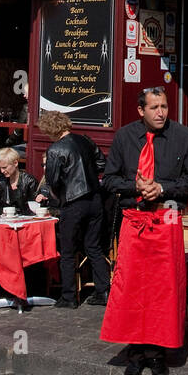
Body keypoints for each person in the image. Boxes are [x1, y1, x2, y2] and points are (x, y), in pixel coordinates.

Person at [101, 86, 188, 375]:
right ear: (140, 110)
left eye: (164, 106)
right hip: (134, 220)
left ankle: (158, 352)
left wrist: (162, 188)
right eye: (154, 107)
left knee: (163, 288)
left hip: (167, 218)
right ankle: (135, 351)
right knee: (132, 286)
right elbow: (109, 180)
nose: (161, 113)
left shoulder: (183, 136)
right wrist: (136, 186)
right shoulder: (124, 137)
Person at [39, 111, 111, 309]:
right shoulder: (85, 140)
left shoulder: (55, 150)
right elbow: (101, 163)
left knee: (68, 251)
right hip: (94, 198)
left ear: (49, 130)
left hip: (73, 201)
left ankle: (69, 296)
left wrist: (58, 192)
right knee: (94, 247)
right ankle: (103, 290)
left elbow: (52, 180)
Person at [0, 147, 40, 213]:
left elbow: (35, 206)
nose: (2, 171)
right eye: (0, 168)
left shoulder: (29, 181)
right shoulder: (1, 179)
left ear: (15, 163)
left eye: (4, 167)